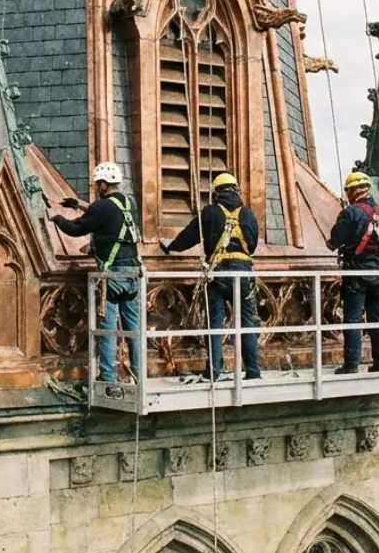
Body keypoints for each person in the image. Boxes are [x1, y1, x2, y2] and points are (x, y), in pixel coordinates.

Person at [162, 172, 262, 380]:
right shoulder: (248, 214)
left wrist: (171, 247)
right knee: (246, 323)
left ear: (216, 192)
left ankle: (214, 370)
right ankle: (253, 370)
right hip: (243, 271)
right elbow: (251, 245)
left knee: (215, 322)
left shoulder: (210, 212)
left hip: (219, 272)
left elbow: (189, 237)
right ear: (236, 189)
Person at [51, 162, 142, 386]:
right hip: (133, 273)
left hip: (112, 276)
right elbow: (108, 214)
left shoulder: (100, 208)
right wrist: (80, 205)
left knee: (108, 329)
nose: (96, 187)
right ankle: (140, 376)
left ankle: (108, 380)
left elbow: (75, 229)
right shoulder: (129, 203)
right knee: (134, 329)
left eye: (97, 184)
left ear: (102, 184)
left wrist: (57, 217)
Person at [327, 171, 379, 373]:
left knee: (353, 319)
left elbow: (335, 241)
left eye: (348, 190)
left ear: (354, 190)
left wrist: (333, 241)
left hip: (356, 273)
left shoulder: (350, 212)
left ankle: (351, 364)